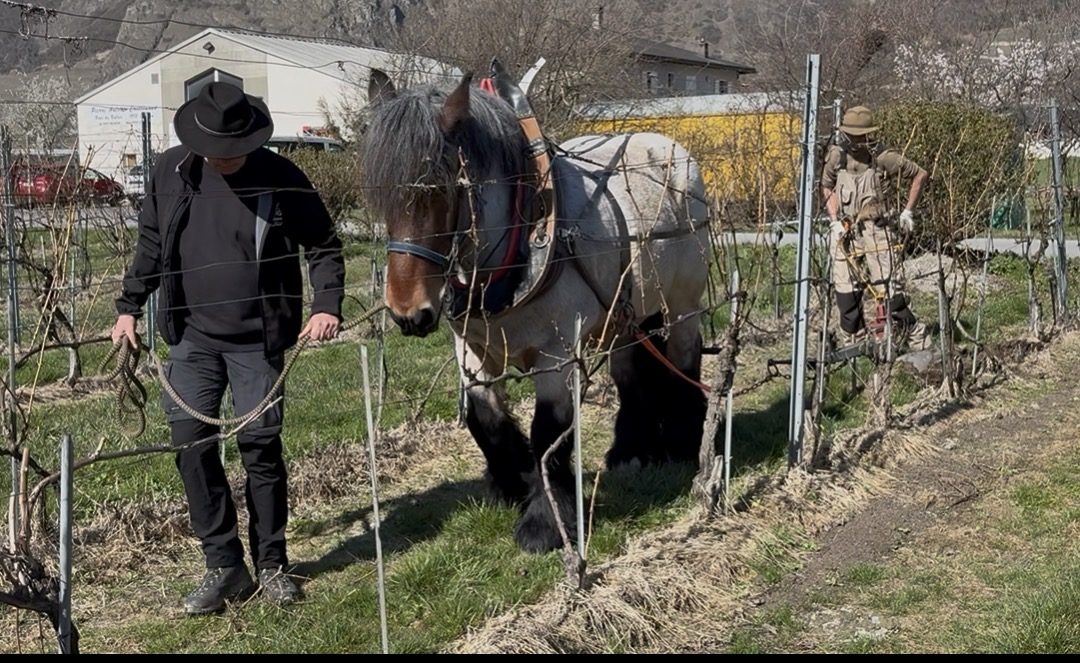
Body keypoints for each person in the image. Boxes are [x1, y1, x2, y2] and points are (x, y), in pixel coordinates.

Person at [111, 82, 345, 615]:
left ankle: (272, 564)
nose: (223, 159)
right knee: (191, 443)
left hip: (257, 342)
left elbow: (325, 245)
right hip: (192, 337)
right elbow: (150, 243)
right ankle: (224, 565)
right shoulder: (172, 172)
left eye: (233, 151)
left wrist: (327, 303)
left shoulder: (282, 177)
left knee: (260, 448)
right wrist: (128, 306)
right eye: (215, 150)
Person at [821, 104, 930, 350]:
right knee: (845, 294)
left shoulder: (883, 157)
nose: (856, 140)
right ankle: (855, 345)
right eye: (851, 134)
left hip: (877, 230)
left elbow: (920, 174)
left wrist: (907, 212)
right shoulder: (837, 157)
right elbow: (826, 185)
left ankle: (917, 340)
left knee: (891, 291)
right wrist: (834, 219)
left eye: (860, 135)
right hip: (846, 232)